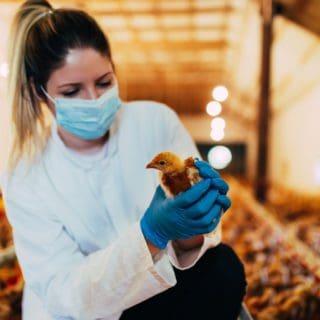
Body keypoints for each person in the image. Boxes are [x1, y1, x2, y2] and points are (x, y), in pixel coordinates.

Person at [1, 0, 246, 319]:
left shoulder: (154, 122)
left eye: (104, 82)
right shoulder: (26, 173)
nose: (94, 99)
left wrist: (193, 226)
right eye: (72, 91)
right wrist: (150, 235)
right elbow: (65, 293)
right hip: (76, 313)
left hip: (157, 297)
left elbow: (196, 252)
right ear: (38, 91)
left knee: (222, 268)